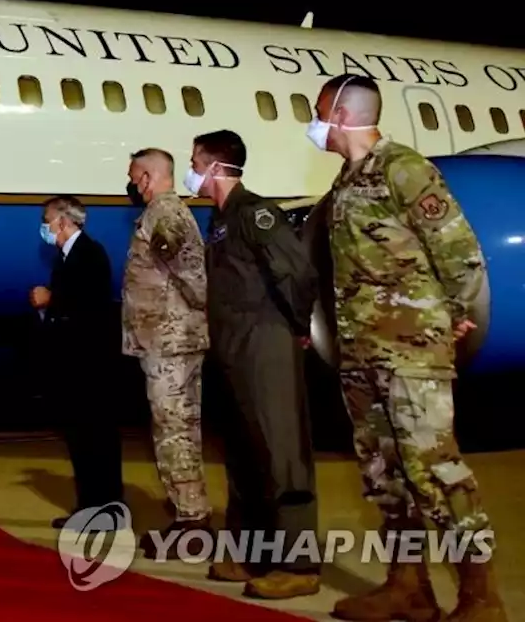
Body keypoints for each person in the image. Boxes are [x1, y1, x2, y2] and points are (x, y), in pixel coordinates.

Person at [308, 74, 504, 621]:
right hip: (363, 353)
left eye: (319, 110)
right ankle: (408, 586)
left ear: (343, 115)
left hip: (412, 352)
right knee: (383, 474)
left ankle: (482, 598)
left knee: (437, 471)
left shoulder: (404, 168)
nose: (313, 121)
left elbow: (460, 251)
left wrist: (458, 316)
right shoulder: (347, 182)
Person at [188, 130, 320, 600]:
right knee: (243, 455)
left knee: (282, 453)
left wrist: (298, 325)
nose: (193, 173)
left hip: (265, 343)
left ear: (217, 168)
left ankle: (299, 564)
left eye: (196, 163)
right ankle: (253, 553)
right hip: (231, 348)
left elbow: (295, 270)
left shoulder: (256, 212)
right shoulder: (220, 220)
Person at [122, 149, 211, 555]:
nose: (132, 185)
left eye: (134, 176)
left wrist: (193, 320)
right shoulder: (161, 214)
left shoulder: (164, 214)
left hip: (171, 343)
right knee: (177, 430)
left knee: (174, 432)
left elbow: (193, 271)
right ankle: (190, 513)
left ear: (146, 176)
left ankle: (192, 521)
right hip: (168, 340)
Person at [29, 195, 123, 528]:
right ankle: (90, 507)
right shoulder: (64, 258)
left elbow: (91, 303)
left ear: (64, 221)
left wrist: (51, 299)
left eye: (47, 219)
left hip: (90, 365)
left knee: (96, 438)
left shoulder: (90, 253)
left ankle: (107, 509)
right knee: (81, 440)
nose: (44, 226)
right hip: (73, 363)